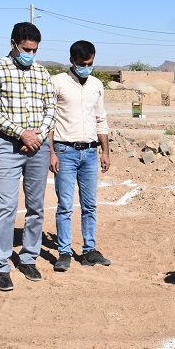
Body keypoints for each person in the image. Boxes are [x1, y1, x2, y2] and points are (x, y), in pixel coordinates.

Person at [0, 22, 56, 291]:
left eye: (35, 50)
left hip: (38, 146)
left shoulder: (42, 72)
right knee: (7, 206)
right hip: (8, 145)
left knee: (36, 207)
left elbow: (51, 108)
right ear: (13, 43)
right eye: (26, 49)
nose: (31, 54)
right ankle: (1, 265)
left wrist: (36, 136)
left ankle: (28, 257)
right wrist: (20, 134)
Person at [50, 40, 111, 272]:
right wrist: (51, 153)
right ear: (72, 61)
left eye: (91, 63)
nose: (87, 67)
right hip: (65, 152)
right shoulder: (57, 83)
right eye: (83, 64)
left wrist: (105, 151)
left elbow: (101, 118)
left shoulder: (97, 84)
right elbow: (50, 120)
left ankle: (89, 251)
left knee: (90, 205)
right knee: (65, 206)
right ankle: (64, 252)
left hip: (90, 152)